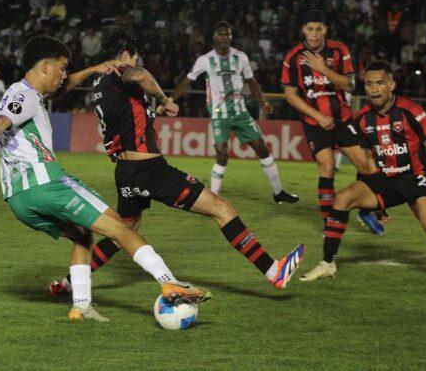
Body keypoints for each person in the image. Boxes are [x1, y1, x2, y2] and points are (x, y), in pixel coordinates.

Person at [0, 35, 211, 321]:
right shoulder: (25, 95)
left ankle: (81, 306)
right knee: (120, 227)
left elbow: (59, 89)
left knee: (82, 233)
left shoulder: (22, 91)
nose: (64, 75)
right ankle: (169, 282)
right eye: (62, 67)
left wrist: (94, 69)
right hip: (47, 184)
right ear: (45, 66)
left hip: (19, 199)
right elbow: (4, 121)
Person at [49, 26, 304, 297]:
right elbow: (140, 75)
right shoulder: (123, 72)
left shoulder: (101, 82)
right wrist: (163, 97)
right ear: (125, 54)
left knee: (122, 232)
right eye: (134, 57)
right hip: (150, 170)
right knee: (221, 207)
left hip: (125, 172)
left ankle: (66, 284)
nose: (135, 62)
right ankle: (273, 271)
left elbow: (80, 95)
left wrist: (149, 107)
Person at [300, 61, 426, 281]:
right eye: (369, 84)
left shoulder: (411, 110)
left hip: (414, 177)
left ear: (391, 85)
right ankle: (327, 263)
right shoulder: (362, 118)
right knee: (342, 199)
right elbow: (367, 161)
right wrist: (373, 198)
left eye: (380, 83)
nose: (374, 88)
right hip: (385, 179)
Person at [170, 21, 299, 204]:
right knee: (222, 154)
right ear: (215, 37)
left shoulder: (241, 57)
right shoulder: (205, 60)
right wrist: (170, 99)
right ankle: (213, 198)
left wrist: (262, 102)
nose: (226, 38)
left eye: (229, 34)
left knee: (261, 148)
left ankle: (278, 192)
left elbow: (252, 82)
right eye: (222, 34)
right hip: (219, 114)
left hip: (240, 112)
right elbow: (187, 81)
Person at [281, 10, 384, 234]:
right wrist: (318, 117)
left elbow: (349, 85)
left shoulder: (339, 50)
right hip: (313, 121)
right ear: (303, 30)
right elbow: (290, 94)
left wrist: (323, 69)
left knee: (367, 167)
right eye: (310, 29)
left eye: (319, 29)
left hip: (342, 118)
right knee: (327, 166)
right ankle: (329, 222)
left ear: (325, 30)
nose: (315, 34)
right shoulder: (293, 57)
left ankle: (364, 210)